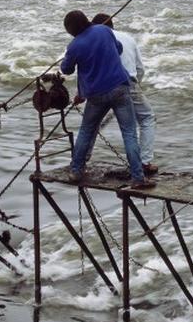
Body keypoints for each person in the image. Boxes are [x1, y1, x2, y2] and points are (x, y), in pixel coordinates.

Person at [60, 10, 155, 189]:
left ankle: (76, 170)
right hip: (120, 88)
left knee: (86, 131)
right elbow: (118, 48)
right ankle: (138, 178)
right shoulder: (103, 31)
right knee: (129, 133)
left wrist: (69, 59)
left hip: (95, 95)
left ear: (72, 29)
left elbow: (66, 70)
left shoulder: (74, 46)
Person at [91, 13, 157, 175]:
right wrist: (136, 86)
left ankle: (82, 159)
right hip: (128, 84)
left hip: (101, 85)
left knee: (91, 124)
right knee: (146, 119)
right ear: (112, 25)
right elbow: (140, 69)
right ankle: (144, 162)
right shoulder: (127, 38)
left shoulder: (95, 40)